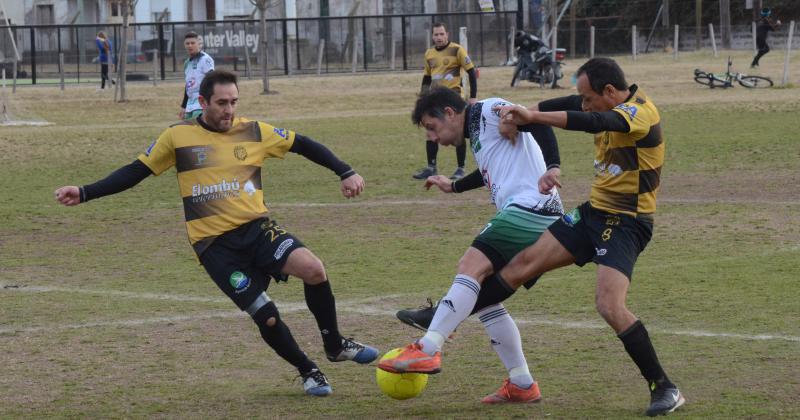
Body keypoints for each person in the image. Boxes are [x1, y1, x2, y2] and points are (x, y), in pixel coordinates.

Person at [381, 58, 685, 417]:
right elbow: (552, 112)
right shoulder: (588, 104)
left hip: (627, 221)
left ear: (609, 92)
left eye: (587, 97)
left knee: (609, 306)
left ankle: (665, 387)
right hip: (592, 213)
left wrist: (534, 123)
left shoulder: (639, 113)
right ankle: (491, 359)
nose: (583, 103)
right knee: (514, 270)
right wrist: (524, 113)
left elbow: (596, 121)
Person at [54, 70, 378, 397]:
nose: (229, 109)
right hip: (215, 247)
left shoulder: (253, 131)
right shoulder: (178, 137)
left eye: (234, 101)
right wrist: (85, 192)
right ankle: (308, 370)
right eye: (222, 102)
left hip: (257, 228)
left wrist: (345, 171)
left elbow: (302, 143)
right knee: (265, 316)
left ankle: (334, 344)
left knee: (314, 269)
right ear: (203, 102)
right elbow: (136, 171)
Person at [380, 87, 565, 403]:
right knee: (485, 298)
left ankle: (428, 348)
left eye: (432, 127)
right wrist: (453, 186)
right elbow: (489, 169)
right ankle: (522, 383)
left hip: (532, 208)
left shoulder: (486, 110)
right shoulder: (480, 131)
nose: (434, 138)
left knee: (471, 266)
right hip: (535, 212)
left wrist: (553, 166)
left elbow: (535, 119)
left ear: (449, 113)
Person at [412, 22, 478, 181]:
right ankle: (431, 167)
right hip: (435, 100)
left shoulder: (457, 50)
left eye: (442, 34)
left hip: (454, 97)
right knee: (431, 130)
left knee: (459, 131)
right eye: (436, 34)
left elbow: (471, 72)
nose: (439, 37)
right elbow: (427, 78)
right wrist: (423, 98)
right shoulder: (429, 54)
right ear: (432, 36)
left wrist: (473, 96)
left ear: (447, 34)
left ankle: (460, 168)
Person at [180, 31, 215, 120]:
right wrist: (184, 106)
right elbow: (188, 86)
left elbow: (212, 80)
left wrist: (209, 101)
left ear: (199, 44)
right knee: (188, 130)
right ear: (184, 45)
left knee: (199, 130)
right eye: (187, 43)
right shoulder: (186, 63)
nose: (190, 45)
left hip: (201, 104)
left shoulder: (205, 59)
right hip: (190, 105)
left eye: (193, 43)